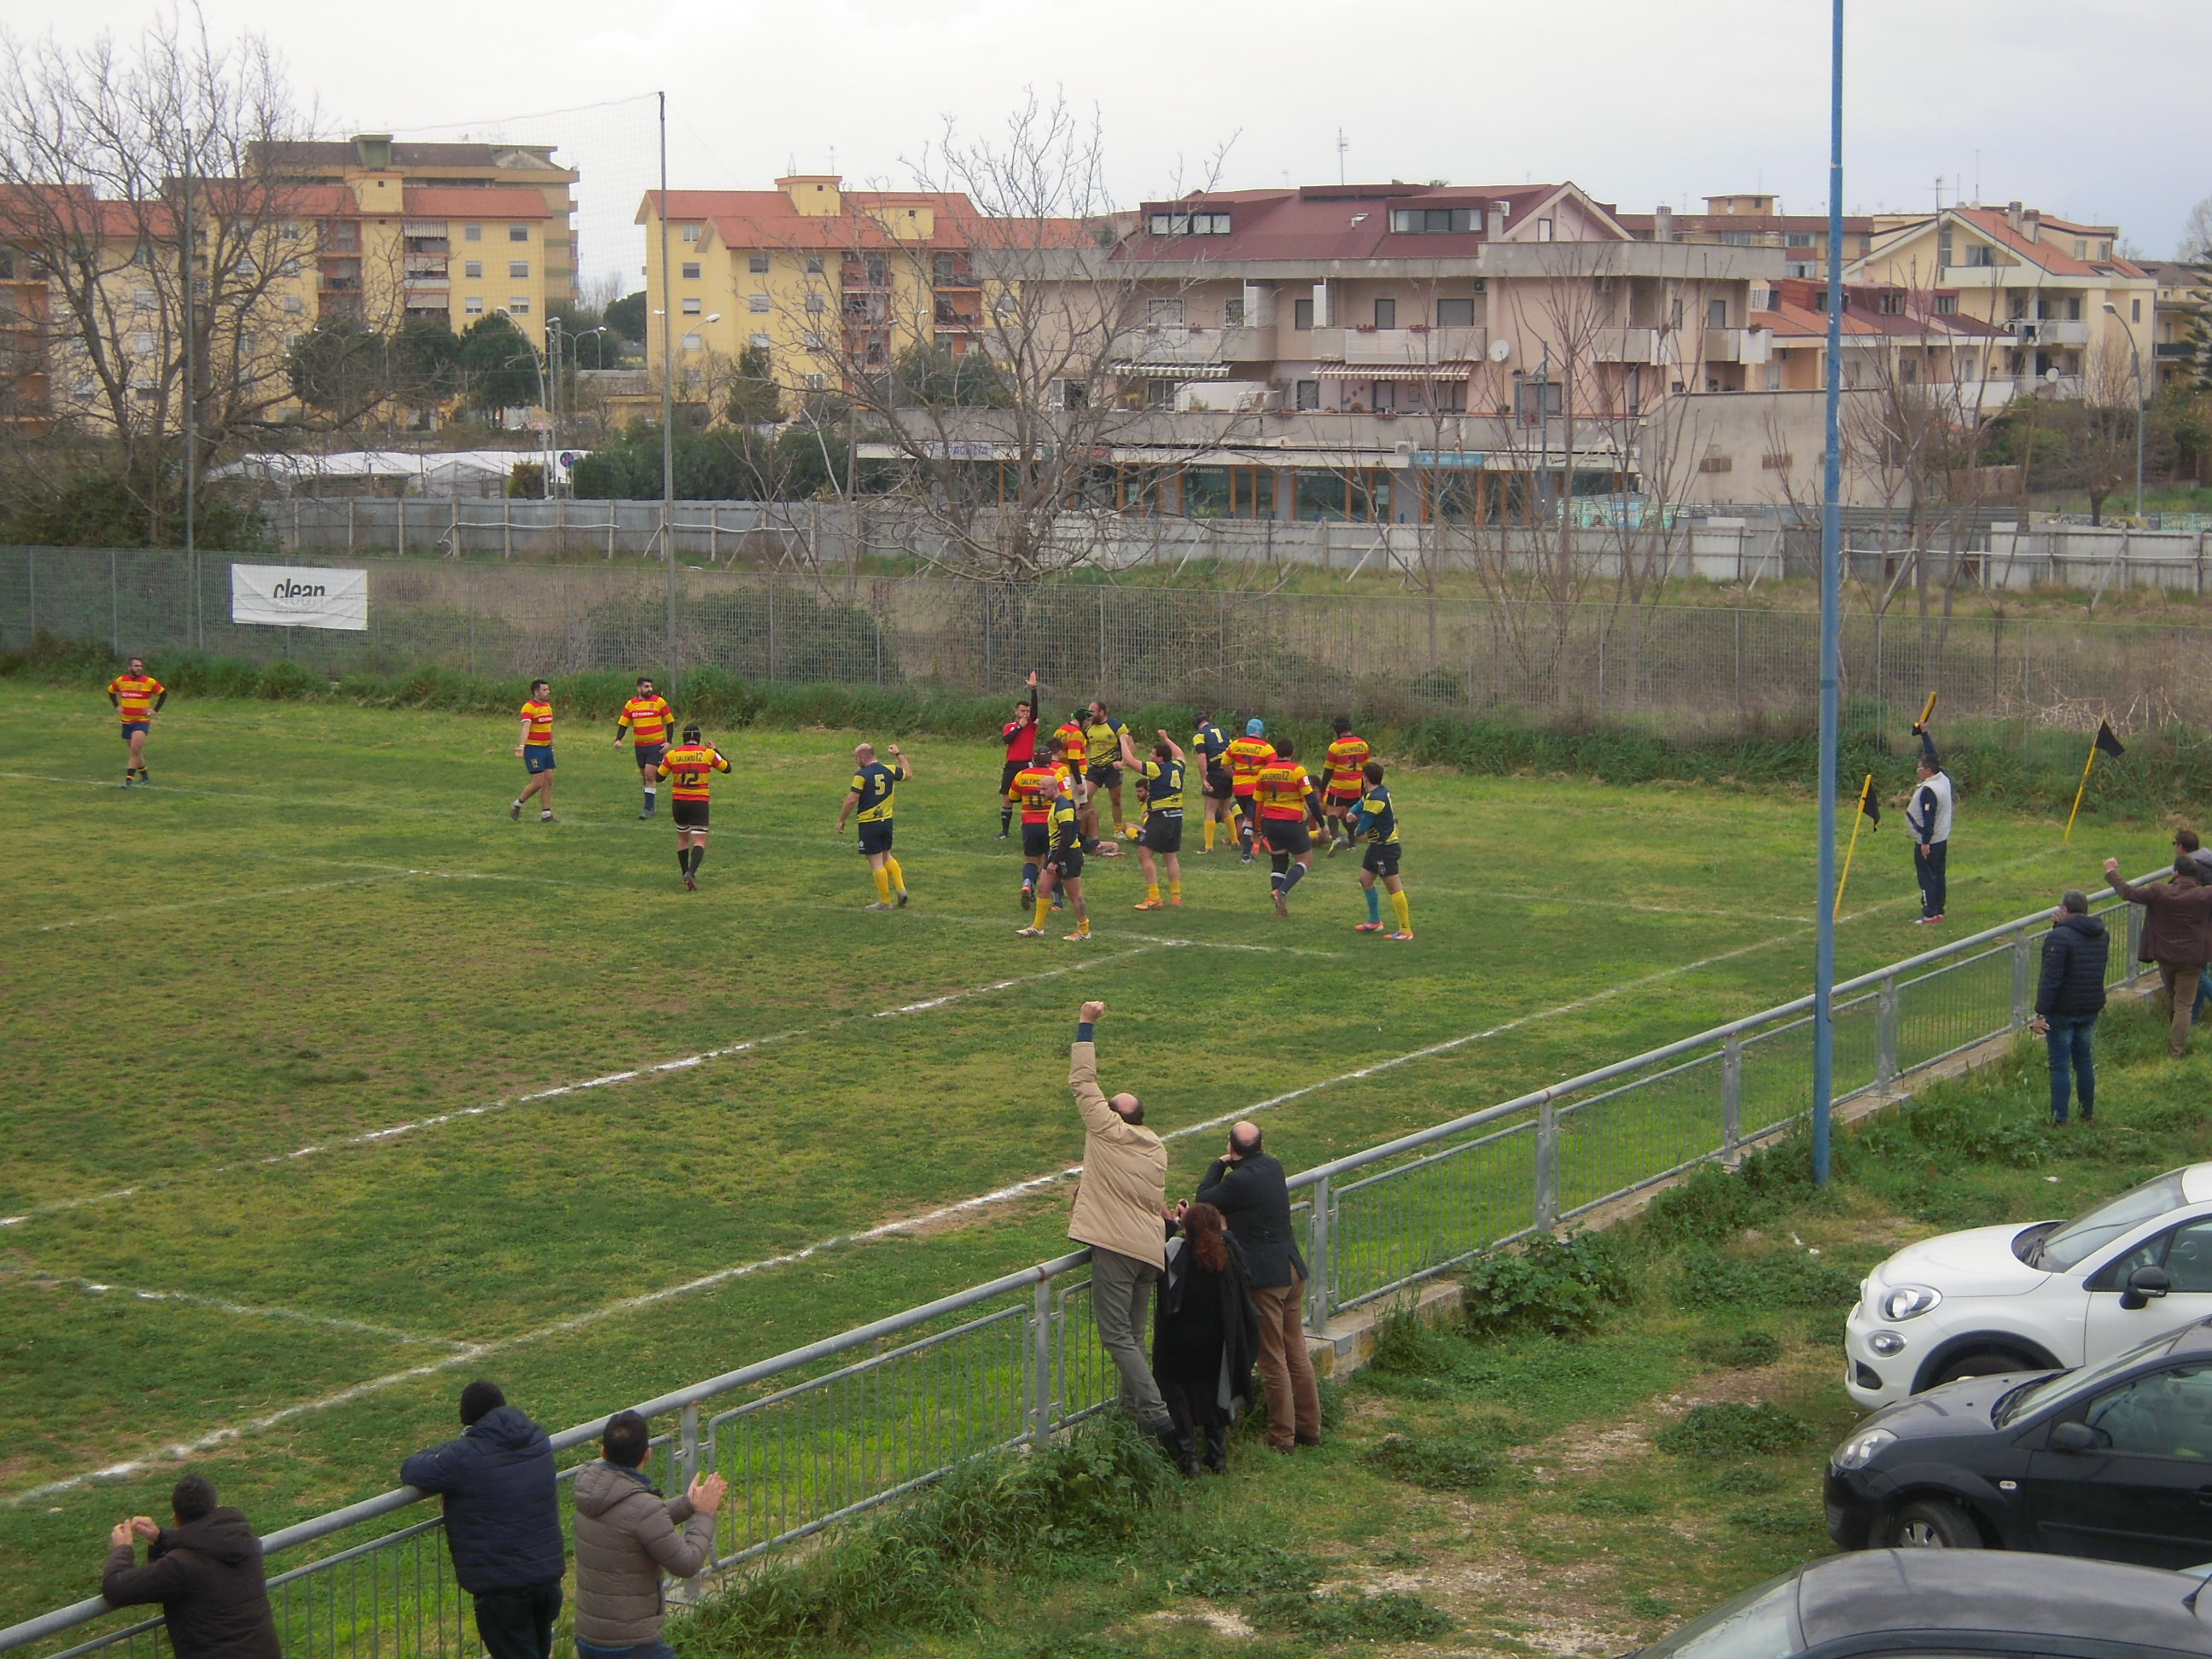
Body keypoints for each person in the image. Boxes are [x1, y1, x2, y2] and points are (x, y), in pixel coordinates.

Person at [1062, 999, 1173, 1441]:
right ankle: (1134, 1421)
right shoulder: (1156, 1146)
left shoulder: (1105, 1131)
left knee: (1117, 1337)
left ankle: (1157, 1415)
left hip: (1118, 1250)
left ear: (1115, 1116)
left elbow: (1082, 1081)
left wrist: (1086, 1026)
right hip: (1150, 1253)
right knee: (1134, 1336)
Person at [400, 1382, 565, 1659]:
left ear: (467, 1421)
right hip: (546, 1579)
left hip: (503, 1590)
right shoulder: (536, 1437)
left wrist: (456, 1446)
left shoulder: (464, 1457)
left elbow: (414, 1469)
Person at [1196, 1121, 1323, 1454]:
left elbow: (1204, 1198)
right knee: (1296, 1351)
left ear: (1232, 1148)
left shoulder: (1238, 1181)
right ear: (1262, 1144)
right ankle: (1310, 1428)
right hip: (1291, 1269)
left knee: (1272, 1360)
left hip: (1266, 1280)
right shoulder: (1273, 1166)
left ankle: (1282, 1438)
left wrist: (1219, 1164)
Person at [572, 1410, 725, 1659]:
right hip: (632, 1644)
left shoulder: (588, 1494)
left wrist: (688, 1505)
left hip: (590, 1639)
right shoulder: (642, 1508)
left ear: (603, 1453)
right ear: (648, 1454)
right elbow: (687, 1563)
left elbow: (632, 1525)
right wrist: (704, 1514)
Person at [100, 1474, 280, 1659]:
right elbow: (205, 1540)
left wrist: (123, 1549)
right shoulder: (247, 1543)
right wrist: (161, 1537)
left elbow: (116, 1587)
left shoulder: (181, 1566)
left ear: (176, 1518)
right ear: (215, 1507)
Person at [1152, 1200, 1259, 1476]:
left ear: (1187, 1229)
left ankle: (1189, 1459)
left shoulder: (1175, 1250)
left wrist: (1171, 1222)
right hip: (1215, 1342)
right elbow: (1224, 1235)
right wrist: (1197, 1221)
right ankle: (1217, 1456)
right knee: (1212, 1392)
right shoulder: (1229, 1252)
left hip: (1176, 1343)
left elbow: (1155, 1253)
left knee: (1177, 1395)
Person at [2104, 854, 2212, 1058]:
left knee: (2172, 999)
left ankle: (2175, 1040)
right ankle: (2176, 1050)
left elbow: (2128, 892)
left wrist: (2111, 872)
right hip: (2193, 959)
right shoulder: (2205, 895)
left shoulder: (2159, 891)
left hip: (2165, 956)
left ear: (2176, 872)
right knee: (2184, 1005)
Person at [2029, 891, 2108, 1126]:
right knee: (2084, 1060)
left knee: (2060, 1064)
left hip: (2063, 1010)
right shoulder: (2101, 933)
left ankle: (2060, 1119)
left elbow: (2051, 978)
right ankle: (2087, 1114)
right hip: (2090, 1005)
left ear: (2065, 910)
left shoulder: (2060, 938)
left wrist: (2040, 1013)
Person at [835, 741, 911, 911]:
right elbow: (908, 774)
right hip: (887, 822)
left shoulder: (861, 775)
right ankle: (901, 889)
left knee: (876, 863)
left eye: (856, 758)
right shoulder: (890, 770)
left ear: (863, 757)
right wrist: (899, 754)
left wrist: (842, 819)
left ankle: (885, 901)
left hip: (869, 823)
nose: (856, 762)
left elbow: (852, 799)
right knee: (887, 857)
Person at [1253, 738, 1324, 917]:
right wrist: (1322, 824)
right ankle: (1281, 891)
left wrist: (1257, 827)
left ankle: (1279, 910)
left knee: (1279, 863)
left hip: (1270, 821)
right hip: (1291, 821)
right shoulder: (1298, 771)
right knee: (1305, 860)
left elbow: (1258, 803)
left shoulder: (1264, 772)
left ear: (1276, 752)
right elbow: (1311, 800)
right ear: (1292, 753)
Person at [657, 725, 731, 891]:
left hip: (679, 802)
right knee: (699, 840)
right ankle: (691, 872)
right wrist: (716, 750)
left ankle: (685, 873)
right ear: (698, 738)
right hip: (699, 801)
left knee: (683, 838)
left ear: (683, 738)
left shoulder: (673, 755)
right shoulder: (708, 754)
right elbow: (727, 768)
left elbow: (659, 777)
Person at [1019, 774, 1091, 940]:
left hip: (1068, 855)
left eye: (1044, 789)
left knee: (1075, 895)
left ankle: (1084, 931)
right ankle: (1037, 927)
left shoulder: (1063, 807)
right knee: (1043, 888)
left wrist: (1055, 862)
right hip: (1056, 853)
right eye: (1040, 788)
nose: (1040, 792)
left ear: (1054, 788)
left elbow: (1067, 838)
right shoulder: (1056, 804)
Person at [1352, 760, 1413, 941]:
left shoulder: (1377, 798)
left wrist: (1355, 832)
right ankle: (1375, 921)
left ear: (1365, 777)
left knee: (1394, 887)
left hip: (1386, 848)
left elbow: (1366, 823)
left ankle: (1405, 930)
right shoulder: (1376, 792)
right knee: (1365, 879)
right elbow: (1361, 804)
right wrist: (1352, 811)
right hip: (1376, 846)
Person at [1132, 731, 1185, 911]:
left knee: (1144, 854)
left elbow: (1131, 761)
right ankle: (1176, 897)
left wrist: (1123, 740)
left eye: (1153, 754)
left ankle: (1154, 897)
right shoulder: (1179, 766)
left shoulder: (1156, 769)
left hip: (1160, 816)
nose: (1150, 756)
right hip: (1177, 816)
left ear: (1160, 758)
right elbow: (1180, 754)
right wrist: (1166, 739)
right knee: (1170, 856)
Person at [1905, 727, 1953, 925]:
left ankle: (1930, 912)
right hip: (1941, 839)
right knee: (1939, 875)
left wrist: (1924, 842)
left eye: (1920, 767)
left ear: (1928, 771)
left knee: (1926, 877)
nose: (1918, 770)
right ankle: (1939, 909)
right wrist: (1924, 734)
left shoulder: (1929, 790)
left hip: (1930, 841)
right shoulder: (1943, 778)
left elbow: (1928, 818)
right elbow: (1933, 755)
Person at [614, 678, 677, 820]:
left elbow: (670, 722)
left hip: (656, 746)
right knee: (645, 777)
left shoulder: (659, 702)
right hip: (640, 747)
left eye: (651, 687)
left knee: (650, 774)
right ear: (639, 688)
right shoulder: (631, 704)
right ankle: (651, 804)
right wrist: (618, 739)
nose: (650, 689)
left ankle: (648, 808)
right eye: (646, 687)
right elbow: (624, 724)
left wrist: (669, 743)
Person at [1009, 748, 1059, 911]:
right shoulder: (1053, 776)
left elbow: (1013, 797)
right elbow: (1065, 798)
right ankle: (1057, 900)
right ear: (1049, 760)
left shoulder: (1022, 775)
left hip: (1029, 824)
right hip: (1049, 824)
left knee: (1031, 860)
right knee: (1053, 860)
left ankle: (1027, 885)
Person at [1083, 699, 1139, 841]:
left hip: (1112, 769)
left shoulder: (1117, 726)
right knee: (1085, 798)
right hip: (1094, 769)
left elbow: (1130, 746)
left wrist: (1123, 762)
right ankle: (1088, 827)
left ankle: (1118, 830)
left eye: (1092, 711)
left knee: (1116, 800)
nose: (1089, 714)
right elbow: (1082, 746)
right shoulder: (1088, 728)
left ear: (1101, 712)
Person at [108, 656, 166, 788]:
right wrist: (116, 706)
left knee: (134, 749)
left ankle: (128, 780)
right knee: (136, 751)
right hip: (127, 722)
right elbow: (111, 691)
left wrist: (155, 710)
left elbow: (163, 693)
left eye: (140, 666)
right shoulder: (121, 681)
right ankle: (145, 777)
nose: (139, 668)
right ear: (129, 668)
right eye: (136, 666)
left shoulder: (149, 682)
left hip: (142, 721)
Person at [1225, 719, 1278, 864]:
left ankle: (1249, 853)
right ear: (1261, 731)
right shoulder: (1266, 748)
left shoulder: (1236, 744)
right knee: (1251, 820)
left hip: (1239, 788)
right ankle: (1247, 856)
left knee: (1249, 818)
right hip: (1256, 789)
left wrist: (1235, 776)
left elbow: (1224, 764)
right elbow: (1274, 769)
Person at [997, 671, 1043, 838]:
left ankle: (1028, 830)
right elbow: (1007, 739)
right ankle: (1005, 831)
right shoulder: (1011, 726)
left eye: (1028, 711)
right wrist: (1019, 727)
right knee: (1007, 798)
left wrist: (1033, 689)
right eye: (1023, 711)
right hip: (1011, 765)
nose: (1026, 714)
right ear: (1016, 711)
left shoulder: (1032, 724)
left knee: (1027, 799)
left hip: (1026, 764)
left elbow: (1036, 710)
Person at [1319, 716, 1372, 853]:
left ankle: (1336, 837)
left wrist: (1322, 789)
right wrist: (1365, 788)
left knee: (1332, 812)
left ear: (1337, 731)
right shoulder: (1363, 745)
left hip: (1339, 787)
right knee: (1350, 814)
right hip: (1356, 787)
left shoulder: (1335, 747)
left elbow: (1328, 771)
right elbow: (1368, 769)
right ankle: (1352, 845)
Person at [509, 680, 557, 824]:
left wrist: (552, 746)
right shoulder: (529, 708)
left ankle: (546, 814)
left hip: (546, 748)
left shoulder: (548, 707)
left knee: (548, 780)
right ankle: (518, 804)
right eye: (545, 690)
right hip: (534, 749)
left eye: (548, 689)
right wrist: (521, 746)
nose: (548, 692)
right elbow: (526, 727)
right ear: (536, 692)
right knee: (539, 782)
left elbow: (549, 728)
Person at [1190, 710, 1232, 853]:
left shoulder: (1200, 735)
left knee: (1210, 809)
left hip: (1215, 772)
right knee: (1225, 808)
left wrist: (1204, 778)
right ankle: (1235, 841)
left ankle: (1208, 847)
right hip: (1228, 771)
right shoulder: (1223, 731)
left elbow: (1202, 756)